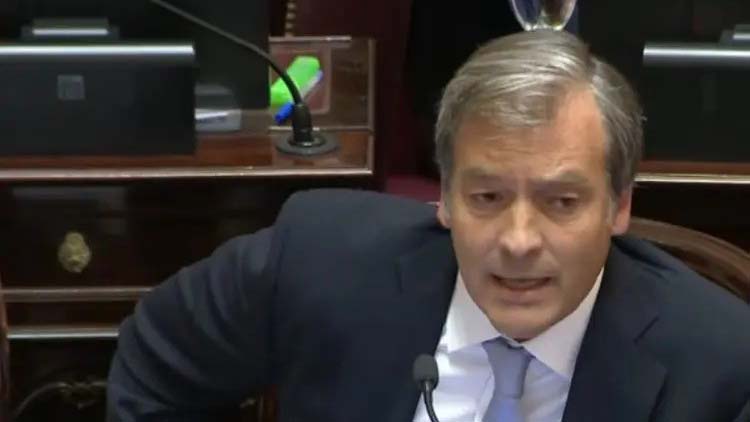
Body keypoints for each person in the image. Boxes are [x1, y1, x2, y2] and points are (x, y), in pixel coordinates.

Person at [107, 30, 750, 422]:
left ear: (619, 206)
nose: (518, 241)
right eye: (487, 196)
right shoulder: (318, 261)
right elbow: (154, 363)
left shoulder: (721, 369)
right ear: (442, 197)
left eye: (560, 203)